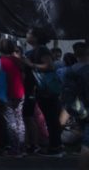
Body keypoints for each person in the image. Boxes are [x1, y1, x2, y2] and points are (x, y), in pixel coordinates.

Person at [23, 27, 63, 157]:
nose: (26, 35)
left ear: (36, 37)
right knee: (48, 118)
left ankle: (55, 147)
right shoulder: (35, 50)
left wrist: (31, 64)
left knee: (51, 118)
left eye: (29, 33)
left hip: (46, 90)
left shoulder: (42, 50)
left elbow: (49, 66)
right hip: (40, 90)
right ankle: (54, 145)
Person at [0, 38, 25, 157]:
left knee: (11, 122)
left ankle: (14, 150)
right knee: (19, 121)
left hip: (6, 95)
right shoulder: (18, 61)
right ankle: (21, 146)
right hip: (19, 93)